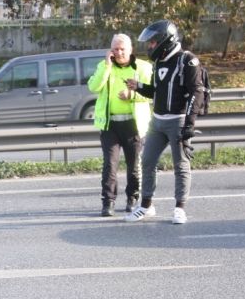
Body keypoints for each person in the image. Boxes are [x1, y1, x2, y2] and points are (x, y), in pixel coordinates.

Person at [124, 20, 204, 224]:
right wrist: (139, 86)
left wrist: (189, 124)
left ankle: (180, 208)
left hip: (178, 121)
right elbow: (158, 91)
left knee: (181, 165)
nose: (150, 46)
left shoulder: (187, 61)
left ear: (164, 40)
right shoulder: (159, 62)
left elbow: (197, 92)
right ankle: (146, 206)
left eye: (152, 42)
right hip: (157, 121)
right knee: (148, 162)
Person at [87, 34, 153, 216]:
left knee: (134, 166)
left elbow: (152, 93)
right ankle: (108, 202)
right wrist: (107, 67)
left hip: (133, 125)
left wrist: (132, 95)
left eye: (123, 49)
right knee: (110, 165)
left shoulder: (143, 68)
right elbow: (93, 87)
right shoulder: (104, 66)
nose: (119, 52)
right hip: (110, 125)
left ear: (131, 50)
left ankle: (132, 198)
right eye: (115, 49)